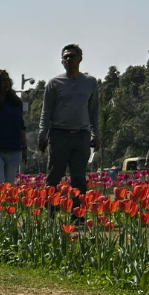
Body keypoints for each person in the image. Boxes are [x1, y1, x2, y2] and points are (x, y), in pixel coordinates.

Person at [38, 44, 100, 212]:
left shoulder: (90, 82)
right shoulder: (54, 83)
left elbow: (93, 110)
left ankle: (78, 214)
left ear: (80, 59)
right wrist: (42, 135)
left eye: (72, 56)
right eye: (65, 57)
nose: (68, 60)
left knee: (79, 178)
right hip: (59, 135)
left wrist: (97, 134)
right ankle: (50, 212)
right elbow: (47, 111)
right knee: (54, 177)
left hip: (82, 135)